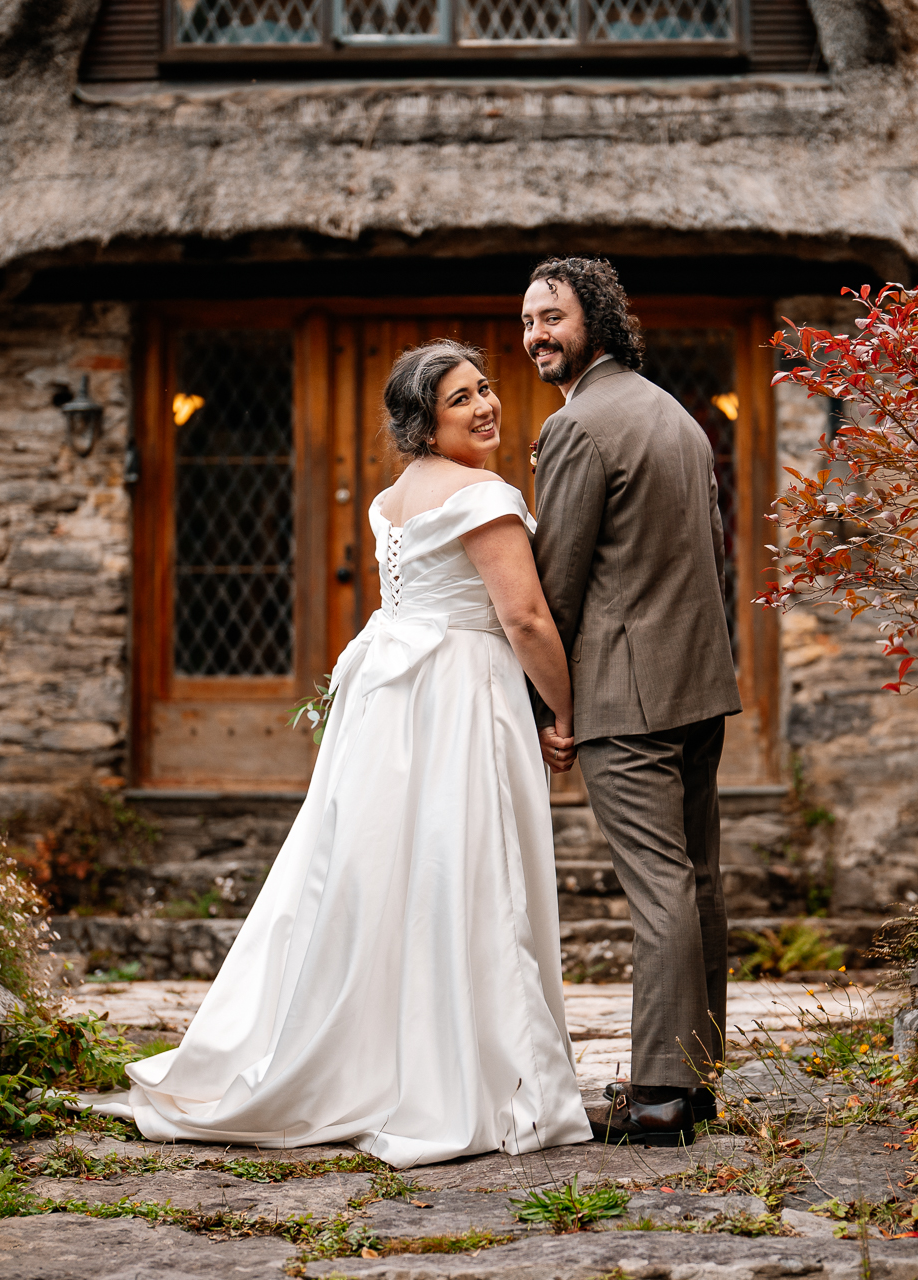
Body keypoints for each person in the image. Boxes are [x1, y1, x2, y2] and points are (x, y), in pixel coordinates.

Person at [84, 339, 592, 1168]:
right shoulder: (483, 495)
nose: (487, 405)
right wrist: (563, 712)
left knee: (388, 880)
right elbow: (527, 620)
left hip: (396, 710)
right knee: (464, 876)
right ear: (425, 422)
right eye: (462, 398)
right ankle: (468, 1076)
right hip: (462, 703)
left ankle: (376, 1060)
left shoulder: (390, 502)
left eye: (487, 388)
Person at [523, 257, 743, 1147]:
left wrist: (550, 707)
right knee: (696, 885)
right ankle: (695, 1086)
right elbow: (709, 556)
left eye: (552, 316)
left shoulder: (578, 426)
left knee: (658, 892)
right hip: (697, 682)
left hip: (626, 691)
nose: (536, 332)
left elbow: (557, 587)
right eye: (528, 319)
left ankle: (655, 1101)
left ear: (599, 322)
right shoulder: (678, 418)